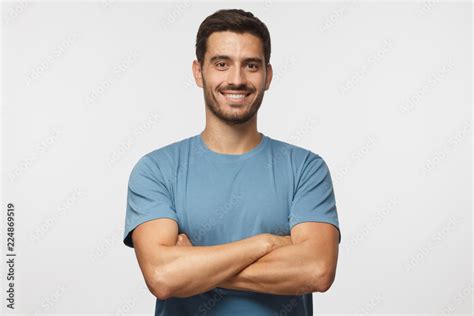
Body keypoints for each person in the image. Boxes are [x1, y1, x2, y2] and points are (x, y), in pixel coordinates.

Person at [123, 8, 341, 316]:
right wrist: (265, 244)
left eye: (251, 65)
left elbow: (317, 269)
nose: (236, 80)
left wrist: (195, 265)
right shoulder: (157, 170)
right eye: (222, 64)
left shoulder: (305, 169)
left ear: (268, 75)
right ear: (199, 72)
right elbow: (163, 277)